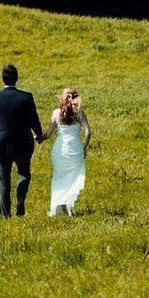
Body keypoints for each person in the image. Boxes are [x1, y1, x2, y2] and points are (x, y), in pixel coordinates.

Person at [0, 63, 45, 218]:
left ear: (2, 80)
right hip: (23, 143)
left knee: (3, 181)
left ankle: (5, 215)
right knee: (24, 174)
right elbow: (34, 119)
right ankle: (20, 199)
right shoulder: (26, 97)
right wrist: (39, 134)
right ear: (16, 79)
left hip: (1, 144)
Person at [45, 86, 90, 216]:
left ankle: (62, 207)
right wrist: (84, 148)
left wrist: (40, 137)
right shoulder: (80, 113)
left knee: (59, 178)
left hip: (60, 150)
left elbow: (48, 133)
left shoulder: (56, 113)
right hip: (75, 149)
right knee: (71, 179)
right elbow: (88, 132)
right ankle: (66, 207)